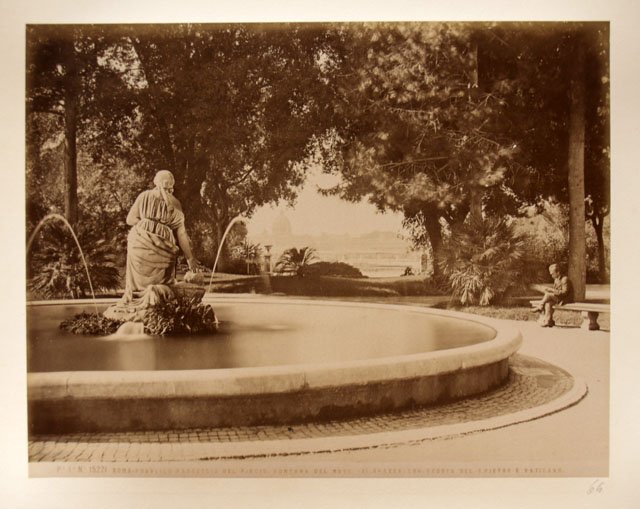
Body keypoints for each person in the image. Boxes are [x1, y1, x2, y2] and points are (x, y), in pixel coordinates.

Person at [122, 170, 199, 303]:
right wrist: (190, 258)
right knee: (164, 285)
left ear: (156, 182)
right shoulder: (175, 203)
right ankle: (157, 300)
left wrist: (145, 228)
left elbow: (130, 219)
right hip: (164, 244)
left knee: (138, 287)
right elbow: (181, 233)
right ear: (171, 185)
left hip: (140, 241)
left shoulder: (144, 196)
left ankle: (135, 300)